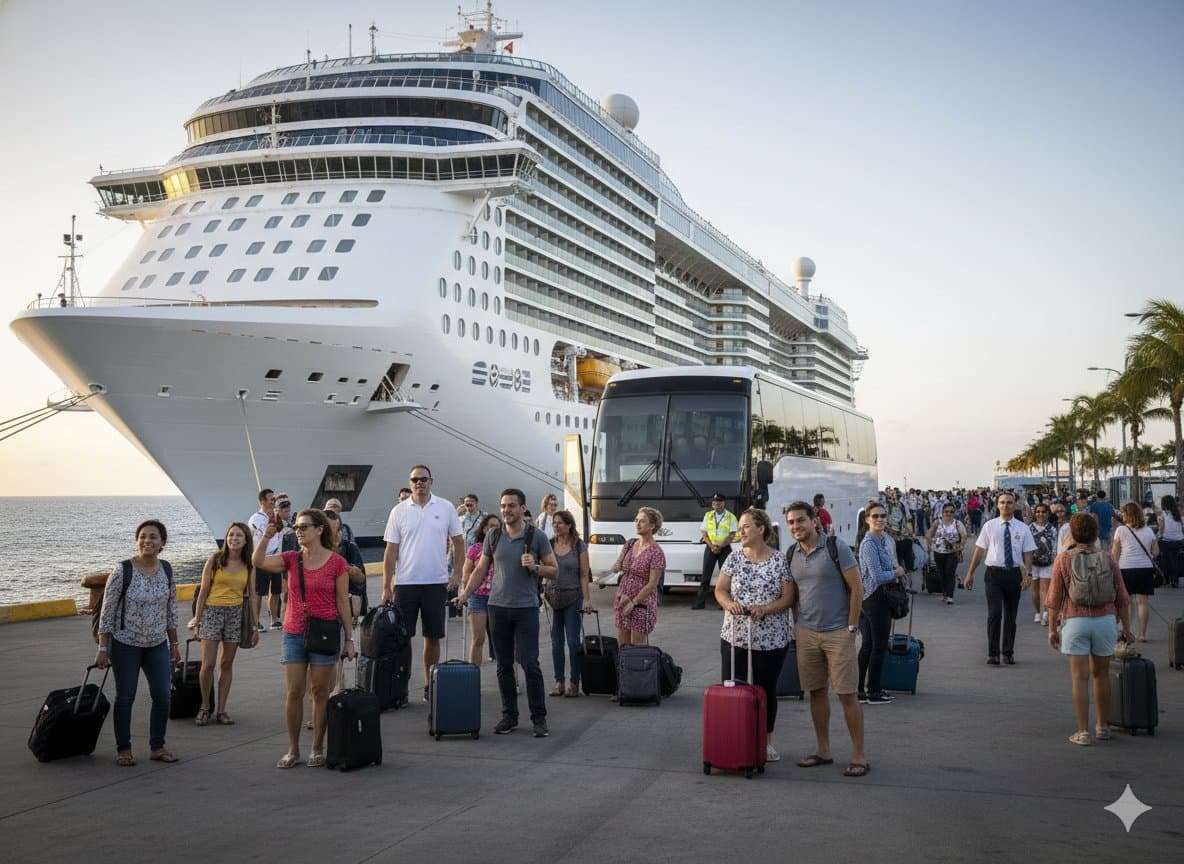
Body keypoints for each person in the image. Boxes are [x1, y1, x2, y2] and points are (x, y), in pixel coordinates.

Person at [253, 509, 355, 768]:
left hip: (325, 632)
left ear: (319, 529)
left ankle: (317, 747)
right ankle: (293, 749)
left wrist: (349, 639)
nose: (298, 531)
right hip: (294, 632)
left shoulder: (337, 563)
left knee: (320, 691)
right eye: (297, 527)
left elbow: (343, 602)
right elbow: (258, 560)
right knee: (294, 691)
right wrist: (267, 535)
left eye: (304, 527)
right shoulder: (291, 558)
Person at [456, 489, 558, 737]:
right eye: (503, 506)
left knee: (530, 664)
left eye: (511, 506)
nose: (506, 510)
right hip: (497, 607)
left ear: (522, 508)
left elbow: (554, 570)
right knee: (503, 665)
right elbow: (480, 569)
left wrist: (536, 566)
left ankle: (539, 718)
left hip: (525, 608)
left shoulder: (537, 536)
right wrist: (465, 594)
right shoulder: (494, 535)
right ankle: (509, 716)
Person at [784, 501, 867, 777]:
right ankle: (823, 751)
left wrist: (851, 627)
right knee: (816, 692)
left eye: (800, 520)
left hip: (838, 632)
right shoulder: (791, 554)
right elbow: (794, 594)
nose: (796, 526)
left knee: (847, 694)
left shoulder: (836, 547)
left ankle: (858, 756)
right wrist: (796, 625)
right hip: (806, 633)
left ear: (814, 521)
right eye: (791, 522)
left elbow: (857, 587)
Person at [94, 519, 181, 767]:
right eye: (142, 536)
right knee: (126, 697)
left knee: (163, 695)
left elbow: (171, 609)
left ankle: (158, 746)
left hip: (157, 643)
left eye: (153, 537)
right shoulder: (123, 570)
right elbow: (107, 612)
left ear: (162, 543)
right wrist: (103, 648)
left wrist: (174, 643)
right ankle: (124, 749)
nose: (147, 541)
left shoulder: (166, 570)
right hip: (125, 644)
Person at [1045, 513, 1133, 745]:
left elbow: (1054, 598)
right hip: (1105, 620)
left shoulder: (1063, 559)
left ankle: (1083, 732)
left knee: (1079, 677)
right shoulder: (1108, 557)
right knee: (1101, 675)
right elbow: (1122, 596)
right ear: (1095, 534)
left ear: (1073, 534)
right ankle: (1103, 726)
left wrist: (1052, 629)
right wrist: (1127, 628)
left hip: (1075, 620)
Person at [715, 508, 794, 762]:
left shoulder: (779, 559)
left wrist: (766, 609)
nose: (741, 531)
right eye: (739, 527)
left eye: (746, 526)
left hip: (771, 637)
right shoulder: (734, 558)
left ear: (761, 529)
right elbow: (720, 590)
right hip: (735, 634)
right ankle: (734, 738)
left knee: (765, 689)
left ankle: (766, 742)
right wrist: (729, 604)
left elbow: (789, 597)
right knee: (732, 687)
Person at [381, 465, 465, 703]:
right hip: (405, 583)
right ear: (410, 482)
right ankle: (400, 688)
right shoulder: (398, 511)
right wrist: (386, 586)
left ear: (431, 481)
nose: (419, 483)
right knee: (402, 638)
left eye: (423, 479)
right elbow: (391, 550)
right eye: (415, 479)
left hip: (435, 583)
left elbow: (458, 542)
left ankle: (430, 684)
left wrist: (457, 574)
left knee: (432, 636)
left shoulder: (445, 507)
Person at [188, 523, 258, 726]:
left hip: (235, 614)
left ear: (246, 540)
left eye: (239, 535)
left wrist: (255, 626)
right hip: (212, 612)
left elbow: (252, 596)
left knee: (226, 664)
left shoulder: (249, 565)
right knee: (208, 664)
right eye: (231, 535)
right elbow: (203, 591)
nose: (234, 538)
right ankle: (204, 706)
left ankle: (221, 710)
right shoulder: (215, 560)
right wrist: (197, 620)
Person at [963, 492, 1036, 666]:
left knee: (1010, 615)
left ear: (1014, 505)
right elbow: (979, 551)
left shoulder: (1023, 528)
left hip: (1013, 575)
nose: (1005, 505)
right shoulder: (989, 526)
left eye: (1009, 502)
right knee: (995, 613)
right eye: (1002, 502)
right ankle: (993, 654)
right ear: (997, 505)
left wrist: (1028, 573)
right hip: (993, 575)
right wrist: (970, 573)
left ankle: (1008, 652)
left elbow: (1028, 552)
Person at [610, 507, 667, 691]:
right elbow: (617, 565)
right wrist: (615, 566)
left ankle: (637, 688)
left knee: (636, 649)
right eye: (636, 520)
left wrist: (634, 602)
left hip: (641, 603)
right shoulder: (630, 544)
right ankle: (622, 688)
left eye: (642, 521)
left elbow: (652, 584)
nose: (637, 523)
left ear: (652, 525)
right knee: (623, 647)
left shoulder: (656, 552)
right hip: (622, 598)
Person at [856, 503, 905, 705]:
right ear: (867, 519)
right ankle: (873, 691)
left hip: (872, 598)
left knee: (868, 645)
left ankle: (860, 691)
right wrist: (896, 572)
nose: (879, 519)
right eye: (875, 516)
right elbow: (877, 576)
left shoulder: (883, 539)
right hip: (875, 598)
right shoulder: (869, 543)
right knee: (878, 646)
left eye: (883, 516)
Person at [547, 509, 594, 697]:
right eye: (554, 523)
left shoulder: (579, 545)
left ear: (569, 525)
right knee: (556, 642)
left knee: (573, 642)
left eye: (560, 523)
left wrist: (587, 599)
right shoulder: (549, 544)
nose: (556, 526)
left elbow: (584, 575)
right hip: (553, 598)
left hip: (573, 597)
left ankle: (575, 682)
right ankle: (559, 682)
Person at [1112, 502, 1159, 642]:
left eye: (1123, 513)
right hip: (1145, 568)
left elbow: (1115, 554)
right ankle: (1142, 634)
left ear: (1128, 514)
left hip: (1126, 568)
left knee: (1127, 602)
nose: (1122, 515)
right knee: (1142, 602)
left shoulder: (1121, 530)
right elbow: (1156, 552)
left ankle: (1127, 631)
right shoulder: (1148, 530)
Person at [460, 513, 501, 665]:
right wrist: (465, 593)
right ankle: (473, 673)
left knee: (500, 638)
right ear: (484, 529)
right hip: (478, 596)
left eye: (497, 527)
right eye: (491, 526)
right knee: (478, 638)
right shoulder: (475, 548)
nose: (494, 529)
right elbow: (466, 572)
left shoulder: (504, 548)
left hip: (499, 597)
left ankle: (505, 674)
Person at [692, 493, 739, 610]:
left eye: (719, 502)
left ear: (723, 503)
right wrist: (712, 546)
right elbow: (704, 534)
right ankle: (700, 603)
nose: (716, 504)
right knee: (705, 576)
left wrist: (720, 546)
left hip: (725, 548)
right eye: (714, 502)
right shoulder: (708, 515)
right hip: (710, 548)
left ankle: (725, 604)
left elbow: (732, 535)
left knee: (726, 577)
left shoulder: (731, 517)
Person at [247, 489, 283, 630]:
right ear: (262, 501)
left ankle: (274, 620)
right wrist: (270, 519)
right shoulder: (256, 518)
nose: (273, 501)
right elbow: (264, 533)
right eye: (270, 498)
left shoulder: (275, 515)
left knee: (276, 590)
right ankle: (256, 621)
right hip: (262, 558)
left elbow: (280, 529)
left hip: (275, 556)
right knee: (259, 592)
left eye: (274, 498)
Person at [324, 509, 367, 619]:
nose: (335, 534)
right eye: (329, 531)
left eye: (338, 529)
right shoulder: (311, 551)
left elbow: (360, 579)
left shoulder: (350, 548)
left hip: (345, 608)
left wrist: (343, 565)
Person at [926, 501, 966, 604]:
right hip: (939, 552)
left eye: (951, 512)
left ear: (954, 513)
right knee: (941, 573)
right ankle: (944, 593)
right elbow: (929, 534)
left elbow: (963, 535)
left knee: (950, 573)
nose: (949, 514)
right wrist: (931, 545)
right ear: (942, 512)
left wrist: (960, 547)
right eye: (946, 511)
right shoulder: (937, 522)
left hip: (952, 552)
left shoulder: (957, 523)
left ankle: (950, 596)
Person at [1028, 504, 1058, 625]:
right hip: (1033, 563)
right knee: (1035, 589)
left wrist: (1054, 561)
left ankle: (1045, 613)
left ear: (1047, 513)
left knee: (1046, 590)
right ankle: (1037, 612)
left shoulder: (1052, 529)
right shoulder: (1029, 528)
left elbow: (1054, 547)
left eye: (1043, 512)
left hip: (1047, 563)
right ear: (1035, 513)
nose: (1040, 514)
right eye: (1038, 512)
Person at [884, 490, 915, 571]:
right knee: (897, 563)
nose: (893, 500)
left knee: (907, 564)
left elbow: (908, 521)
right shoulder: (886, 508)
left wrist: (912, 534)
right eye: (891, 498)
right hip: (894, 540)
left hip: (903, 538)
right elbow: (883, 524)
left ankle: (907, 575)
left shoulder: (902, 506)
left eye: (895, 498)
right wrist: (892, 531)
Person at [1158, 495, 1183, 588]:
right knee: (1175, 559)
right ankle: (1175, 579)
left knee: (1165, 559)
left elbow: (1161, 529)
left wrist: (1158, 536)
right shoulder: (1179, 513)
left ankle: (1166, 578)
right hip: (1179, 541)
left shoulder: (1163, 514)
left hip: (1167, 541)